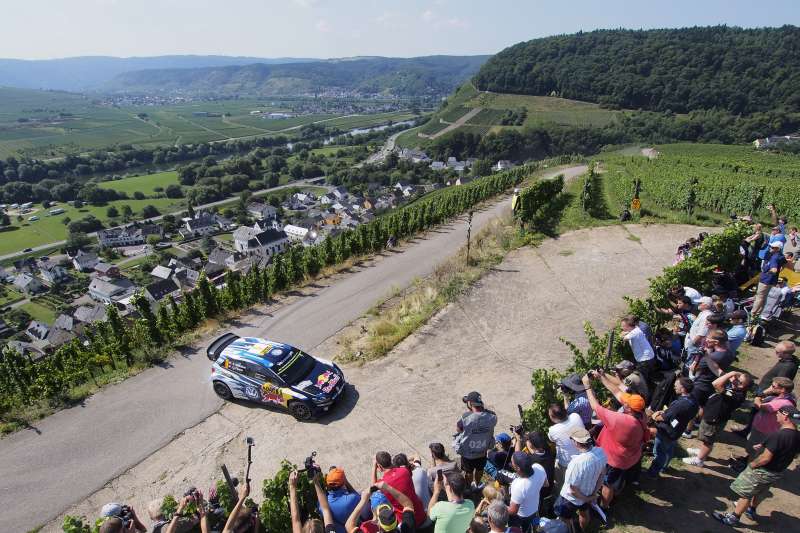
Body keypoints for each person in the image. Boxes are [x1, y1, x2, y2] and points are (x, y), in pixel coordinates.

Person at [712, 405, 800, 527]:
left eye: (778, 413)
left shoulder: (779, 435)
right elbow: (794, 455)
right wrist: (766, 446)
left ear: (785, 416)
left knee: (746, 494)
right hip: (777, 472)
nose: (776, 415)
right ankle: (751, 510)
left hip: (763, 470)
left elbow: (765, 458)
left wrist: (752, 465)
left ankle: (733, 518)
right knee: (761, 491)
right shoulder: (797, 436)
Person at [581, 373, 649, 508]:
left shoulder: (621, 421)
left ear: (628, 408)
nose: (623, 401)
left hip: (615, 460)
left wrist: (587, 387)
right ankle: (617, 492)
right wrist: (601, 377)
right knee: (618, 479)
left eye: (626, 403)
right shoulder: (641, 414)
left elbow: (595, 406)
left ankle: (604, 507)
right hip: (629, 457)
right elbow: (618, 392)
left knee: (608, 483)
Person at [684, 371, 751, 467]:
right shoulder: (735, 388)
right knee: (705, 439)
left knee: (708, 441)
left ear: (743, 386)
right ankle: (702, 453)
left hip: (715, 419)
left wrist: (731, 373)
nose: (735, 380)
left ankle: (699, 460)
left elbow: (716, 384)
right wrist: (732, 379)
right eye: (737, 378)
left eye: (739, 381)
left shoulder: (738, 395)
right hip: (712, 415)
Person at [734, 340, 798, 437]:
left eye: (778, 352)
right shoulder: (788, 360)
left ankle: (749, 433)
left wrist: (765, 393)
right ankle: (748, 430)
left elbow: (778, 384)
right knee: (754, 411)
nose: (776, 354)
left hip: (768, 392)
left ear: (786, 354)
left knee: (757, 412)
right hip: (766, 389)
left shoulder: (787, 367)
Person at [553, 428, 607, 532]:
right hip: (589, 491)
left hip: (570, 498)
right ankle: (582, 529)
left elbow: (572, 489)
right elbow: (602, 474)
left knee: (565, 517)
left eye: (572, 439)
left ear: (577, 443)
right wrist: (593, 494)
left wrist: (586, 498)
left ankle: (568, 529)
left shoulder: (576, 463)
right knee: (584, 512)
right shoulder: (601, 452)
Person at [646, 377, 698, 478]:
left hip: (666, 432)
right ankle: (664, 467)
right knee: (669, 449)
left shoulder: (680, 404)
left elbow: (663, 418)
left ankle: (653, 473)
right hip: (677, 431)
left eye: (676, 385)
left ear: (683, 389)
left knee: (659, 452)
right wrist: (667, 412)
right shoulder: (693, 400)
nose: (674, 387)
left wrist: (654, 415)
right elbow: (675, 414)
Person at [745, 377, 797, 459]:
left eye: (773, 386)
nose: (770, 388)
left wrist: (759, 396)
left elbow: (759, 406)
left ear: (782, 389)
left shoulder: (782, 402)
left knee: (754, 452)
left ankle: (748, 466)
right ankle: (747, 460)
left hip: (763, 431)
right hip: (763, 429)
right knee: (753, 450)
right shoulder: (786, 397)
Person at [453, 391, 497, 485]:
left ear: (470, 404)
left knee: (468, 471)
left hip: (468, 453)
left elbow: (458, 429)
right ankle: (477, 484)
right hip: (482, 451)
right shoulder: (492, 416)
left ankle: (469, 486)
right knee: (480, 469)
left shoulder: (466, 417)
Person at [374, 451, 427, 527]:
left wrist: (374, 468)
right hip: (421, 514)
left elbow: (374, 488)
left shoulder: (382, 483)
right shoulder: (404, 471)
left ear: (379, 467)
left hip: (406, 522)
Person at [346, 481, 417, 533]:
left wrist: (363, 500)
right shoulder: (407, 528)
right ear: (397, 520)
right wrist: (388, 487)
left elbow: (348, 526)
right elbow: (408, 504)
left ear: (379, 526)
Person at [507, 451, 548, 532]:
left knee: (525, 530)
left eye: (512, 462)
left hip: (522, 516)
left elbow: (513, 511)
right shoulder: (538, 467)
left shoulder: (518, 485)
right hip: (535, 508)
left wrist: (499, 506)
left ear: (518, 468)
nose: (511, 463)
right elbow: (546, 484)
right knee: (535, 526)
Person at [546, 403, 583, 489]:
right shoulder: (575, 416)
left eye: (550, 416)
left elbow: (552, 440)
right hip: (582, 454)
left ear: (554, 418)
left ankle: (560, 493)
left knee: (562, 482)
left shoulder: (553, 430)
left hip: (568, 462)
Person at [751, 241, 785, 317]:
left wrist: (767, 272)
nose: (770, 248)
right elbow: (785, 264)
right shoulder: (781, 256)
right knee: (764, 298)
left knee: (759, 297)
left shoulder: (774, 257)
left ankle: (752, 314)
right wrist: (779, 270)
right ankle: (758, 314)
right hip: (772, 281)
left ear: (777, 249)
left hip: (765, 280)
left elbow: (774, 269)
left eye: (772, 247)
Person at [324, 467, 362, 533]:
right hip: (355, 528)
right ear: (344, 482)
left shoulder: (323, 503)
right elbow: (359, 498)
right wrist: (346, 482)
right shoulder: (352, 498)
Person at [620, 315, 656, 382]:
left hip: (645, 359)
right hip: (647, 357)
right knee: (645, 375)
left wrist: (622, 334)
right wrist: (625, 332)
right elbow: (628, 332)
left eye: (623, 326)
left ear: (628, 326)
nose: (621, 327)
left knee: (642, 377)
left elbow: (624, 338)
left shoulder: (635, 332)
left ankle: (645, 390)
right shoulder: (636, 329)